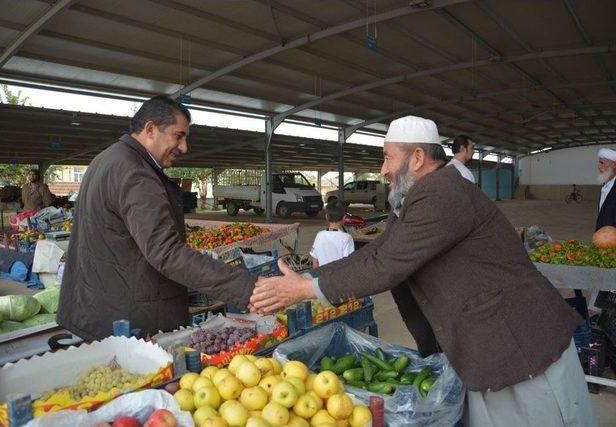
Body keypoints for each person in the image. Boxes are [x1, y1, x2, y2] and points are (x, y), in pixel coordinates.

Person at [250, 116, 596, 426]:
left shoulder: (444, 193)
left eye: (387, 158)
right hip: (487, 349)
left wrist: (303, 291)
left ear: (417, 158)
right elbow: (376, 253)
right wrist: (309, 279)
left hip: (521, 347)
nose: (382, 170)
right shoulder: (417, 201)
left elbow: (386, 265)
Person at [57, 96, 254, 340]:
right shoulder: (135, 173)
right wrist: (247, 288)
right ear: (150, 130)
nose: (184, 147)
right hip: (128, 322)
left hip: (99, 308)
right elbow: (167, 253)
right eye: (178, 136)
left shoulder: (107, 159)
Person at [310, 200, 354, 268]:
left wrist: (316, 277)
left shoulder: (319, 235)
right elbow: (349, 263)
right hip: (338, 277)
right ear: (344, 218)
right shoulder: (346, 238)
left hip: (322, 276)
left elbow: (315, 260)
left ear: (326, 217)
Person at [596, 148, 616, 229]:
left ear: (614, 165)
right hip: (603, 237)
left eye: (602, 163)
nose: (599, 166)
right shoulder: (605, 185)